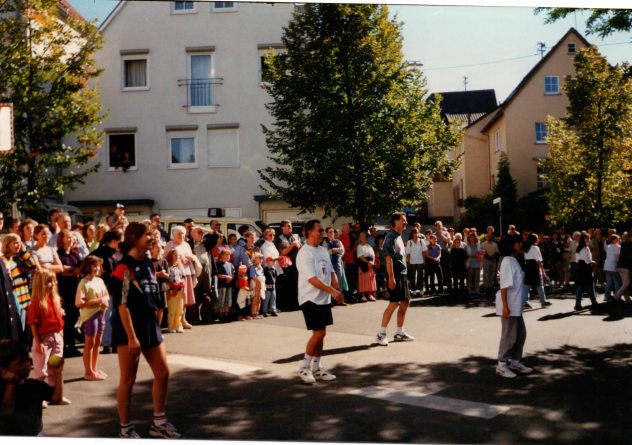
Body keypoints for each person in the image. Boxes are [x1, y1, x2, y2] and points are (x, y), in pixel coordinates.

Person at [110, 221, 180, 439]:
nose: (153, 238)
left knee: (163, 373)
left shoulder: (150, 264)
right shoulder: (123, 268)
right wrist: (132, 337)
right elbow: (122, 306)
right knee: (128, 380)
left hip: (150, 325)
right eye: (148, 234)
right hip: (129, 328)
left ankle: (159, 423)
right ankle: (125, 429)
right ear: (134, 238)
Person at [296, 219, 343, 384]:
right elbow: (312, 279)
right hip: (309, 297)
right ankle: (304, 368)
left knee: (322, 333)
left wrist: (338, 289)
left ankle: (317, 369)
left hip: (324, 298)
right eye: (320, 230)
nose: (323, 233)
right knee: (319, 333)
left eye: (323, 230)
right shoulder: (304, 253)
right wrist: (332, 291)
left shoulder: (323, 250)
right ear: (310, 232)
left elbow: (331, 271)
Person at [0, 339, 65, 436]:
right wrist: (10, 383)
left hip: (35, 435)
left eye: (27, 360)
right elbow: (7, 410)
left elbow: (57, 398)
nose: (27, 365)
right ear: (4, 369)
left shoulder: (34, 385)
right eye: (20, 363)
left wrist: (58, 373)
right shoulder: (3, 388)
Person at [26, 270, 69, 407]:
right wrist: (38, 342)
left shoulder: (55, 299)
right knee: (41, 370)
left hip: (57, 337)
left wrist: (60, 332)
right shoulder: (36, 303)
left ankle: (56, 395)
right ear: (41, 284)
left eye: (54, 281)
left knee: (55, 367)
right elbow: (33, 324)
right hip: (44, 339)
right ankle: (38, 397)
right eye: (49, 281)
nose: (53, 284)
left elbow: (59, 318)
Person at [495, 237, 533, 379]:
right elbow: (504, 286)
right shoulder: (507, 261)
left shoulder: (514, 260)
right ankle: (501, 366)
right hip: (509, 306)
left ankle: (515, 362)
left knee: (520, 334)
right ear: (511, 245)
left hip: (516, 306)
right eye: (518, 242)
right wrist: (505, 306)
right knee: (509, 336)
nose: (521, 243)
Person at [375, 212, 414, 346]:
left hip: (402, 274)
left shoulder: (398, 236)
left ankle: (399, 332)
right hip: (395, 275)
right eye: (403, 220)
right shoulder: (390, 236)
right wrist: (391, 278)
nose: (406, 222)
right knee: (394, 303)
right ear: (396, 222)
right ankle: (381, 334)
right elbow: (388, 258)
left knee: (405, 302)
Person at [75, 256, 109, 380]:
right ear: (87, 267)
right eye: (94, 266)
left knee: (97, 343)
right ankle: (88, 372)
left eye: (98, 266)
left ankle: (94, 369)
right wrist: (98, 301)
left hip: (101, 314)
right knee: (90, 343)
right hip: (90, 316)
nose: (97, 268)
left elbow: (106, 295)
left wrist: (105, 302)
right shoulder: (83, 283)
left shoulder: (100, 281)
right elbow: (78, 303)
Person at [91, 230, 123, 355]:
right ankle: (107, 343)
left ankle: (115, 342)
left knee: (116, 316)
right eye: (120, 241)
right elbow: (87, 262)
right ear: (114, 241)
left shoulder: (118, 253)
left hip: (117, 287)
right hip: (106, 287)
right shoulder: (101, 252)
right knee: (107, 316)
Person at [1, 234, 38, 337]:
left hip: (25, 300)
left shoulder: (20, 258)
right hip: (14, 300)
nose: (19, 245)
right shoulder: (3, 260)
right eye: (15, 243)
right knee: (17, 329)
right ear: (8, 244)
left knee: (24, 330)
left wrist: (23, 252)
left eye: (20, 242)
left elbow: (33, 268)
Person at [165, 226, 201, 330]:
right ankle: (173, 322)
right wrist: (179, 260)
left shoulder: (186, 244)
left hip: (186, 272)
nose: (182, 236)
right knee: (175, 299)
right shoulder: (169, 244)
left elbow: (191, 255)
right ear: (174, 235)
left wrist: (190, 258)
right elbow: (165, 258)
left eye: (183, 234)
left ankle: (182, 320)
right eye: (179, 234)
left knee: (184, 298)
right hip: (175, 275)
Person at [55, 229, 82, 358]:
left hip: (74, 288)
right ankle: (64, 347)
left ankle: (71, 346)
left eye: (72, 237)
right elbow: (61, 272)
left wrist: (70, 270)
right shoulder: (58, 254)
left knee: (73, 318)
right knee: (64, 319)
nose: (71, 240)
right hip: (62, 288)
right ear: (61, 239)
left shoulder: (75, 254)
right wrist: (72, 270)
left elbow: (80, 270)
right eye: (68, 237)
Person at [189, 225, 219, 324]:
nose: (201, 234)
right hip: (195, 269)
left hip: (206, 269)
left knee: (207, 293)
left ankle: (207, 317)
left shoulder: (205, 243)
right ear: (193, 234)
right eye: (199, 232)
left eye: (202, 232)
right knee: (194, 293)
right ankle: (193, 318)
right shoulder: (189, 244)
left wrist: (205, 229)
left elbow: (217, 235)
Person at [275, 220, 302, 311]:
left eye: (290, 225)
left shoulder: (296, 236)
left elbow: (301, 248)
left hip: (297, 263)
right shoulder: (280, 238)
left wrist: (298, 245)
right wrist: (292, 245)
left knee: (296, 284)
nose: (290, 227)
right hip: (286, 266)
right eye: (287, 226)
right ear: (282, 227)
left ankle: (296, 304)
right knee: (287, 285)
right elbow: (283, 252)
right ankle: (288, 306)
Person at [522, 234, 552, 309]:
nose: (538, 240)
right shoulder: (535, 248)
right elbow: (538, 260)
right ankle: (543, 301)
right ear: (533, 240)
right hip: (534, 267)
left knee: (527, 285)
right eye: (537, 238)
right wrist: (543, 271)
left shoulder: (527, 248)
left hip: (528, 267)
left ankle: (524, 302)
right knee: (540, 285)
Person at [574, 234, 599, 313]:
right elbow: (587, 260)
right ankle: (594, 302)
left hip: (580, 267)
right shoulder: (585, 249)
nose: (588, 240)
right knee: (590, 286)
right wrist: (592, 262)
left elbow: (577, 259)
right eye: (587, 238)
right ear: (583, 239)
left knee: (580, 286)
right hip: (586, 268)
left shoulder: (578, 248)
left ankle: (578, 303)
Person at [165, 250, 186, 333]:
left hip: (180, 289)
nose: (177, 257)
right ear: (171, 256)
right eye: (175, 255)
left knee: (179, 308)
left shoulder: (180, 266)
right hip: (172, 289)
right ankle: (171, 325)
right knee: (172, 308)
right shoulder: (168, 266)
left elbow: (183, 277)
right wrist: (167, 290)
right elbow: (166, 279)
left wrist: (183, 286)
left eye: (178, 255)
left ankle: (178, 325)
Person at [150, 242, 169, 326]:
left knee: (161, 308)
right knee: (154, 308)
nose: (159, 249)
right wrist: (159, 273)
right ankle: (153, 327)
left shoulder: (164, 261)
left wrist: (162, 274)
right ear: (151, 249)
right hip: (153, 288)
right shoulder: (149, 262)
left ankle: (158, 327)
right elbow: (149, 275)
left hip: (162, 287)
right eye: (157, 247)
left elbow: (168, 275)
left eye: (160, 247)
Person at [356, 231, 377, 302]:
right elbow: (361, 257)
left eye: (365, 237)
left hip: (370, 265)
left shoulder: (369, 246)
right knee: (363, 279)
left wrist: (372, 262)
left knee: (370, 279)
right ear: (360, 239)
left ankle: (369, 295)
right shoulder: (359, 246)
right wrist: (368, 262)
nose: (364, 238)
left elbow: (373, 255)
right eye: (362, 237)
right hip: (363, 264)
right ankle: (363, 295)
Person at [215, 249, 235, 322]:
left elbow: (233, 273)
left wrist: (230, 278)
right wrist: (226, 277)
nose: (228, 256)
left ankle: (227, 314)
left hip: (229, 285)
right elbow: (218, 274)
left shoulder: (230, 264)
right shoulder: (218, 264)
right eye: (226, 255)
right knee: (221, 300)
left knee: (228, 300)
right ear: (222, 255)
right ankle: (221, 315)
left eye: (229, 255)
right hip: (222, 285)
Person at [406, 228, 426, 296]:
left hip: (420, 261)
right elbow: (408, 253)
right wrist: (408, 261)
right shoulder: (409, 242)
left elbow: (424, 251)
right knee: (413, 276)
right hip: (412, 261)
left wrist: (424, 260)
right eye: (415, 232)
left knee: (420, 276)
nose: (416, 234)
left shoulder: (421, 241)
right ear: (412, 234)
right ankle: (413, 289)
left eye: (417, 232)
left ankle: (421, 289)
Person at [435, 221, 452, 294]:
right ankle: (440, 288)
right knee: (439, 271)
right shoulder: (434, 235)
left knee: (446, 270)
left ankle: (449, 287)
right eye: (438, 226)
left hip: (445, 252)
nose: (440, 227)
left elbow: (449, 241)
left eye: (441, 225)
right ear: (435, 227)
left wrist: (442, 235)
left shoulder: (446, 233)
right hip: (438, 253)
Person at [603, 235, 622, 303]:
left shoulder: (608, 246)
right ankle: (617, 296)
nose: (619, 240)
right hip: (613, 266)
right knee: (616, 282)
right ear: (613, 240)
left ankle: (606, 296)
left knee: (609, 282)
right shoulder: (618, 247)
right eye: (617, 239)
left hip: (607, 266)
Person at [249, 252, 266, 319]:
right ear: (255, 259)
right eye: (260, 258)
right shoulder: (253, 267)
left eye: (262, 258)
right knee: (255, 299)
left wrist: (262, 284)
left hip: (260, 285)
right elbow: (253, 277)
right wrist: (259, 284)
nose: (261, 260)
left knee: (259, 299)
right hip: (255, 285)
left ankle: (257, 312)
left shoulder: (261, 267)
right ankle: (253, 313)